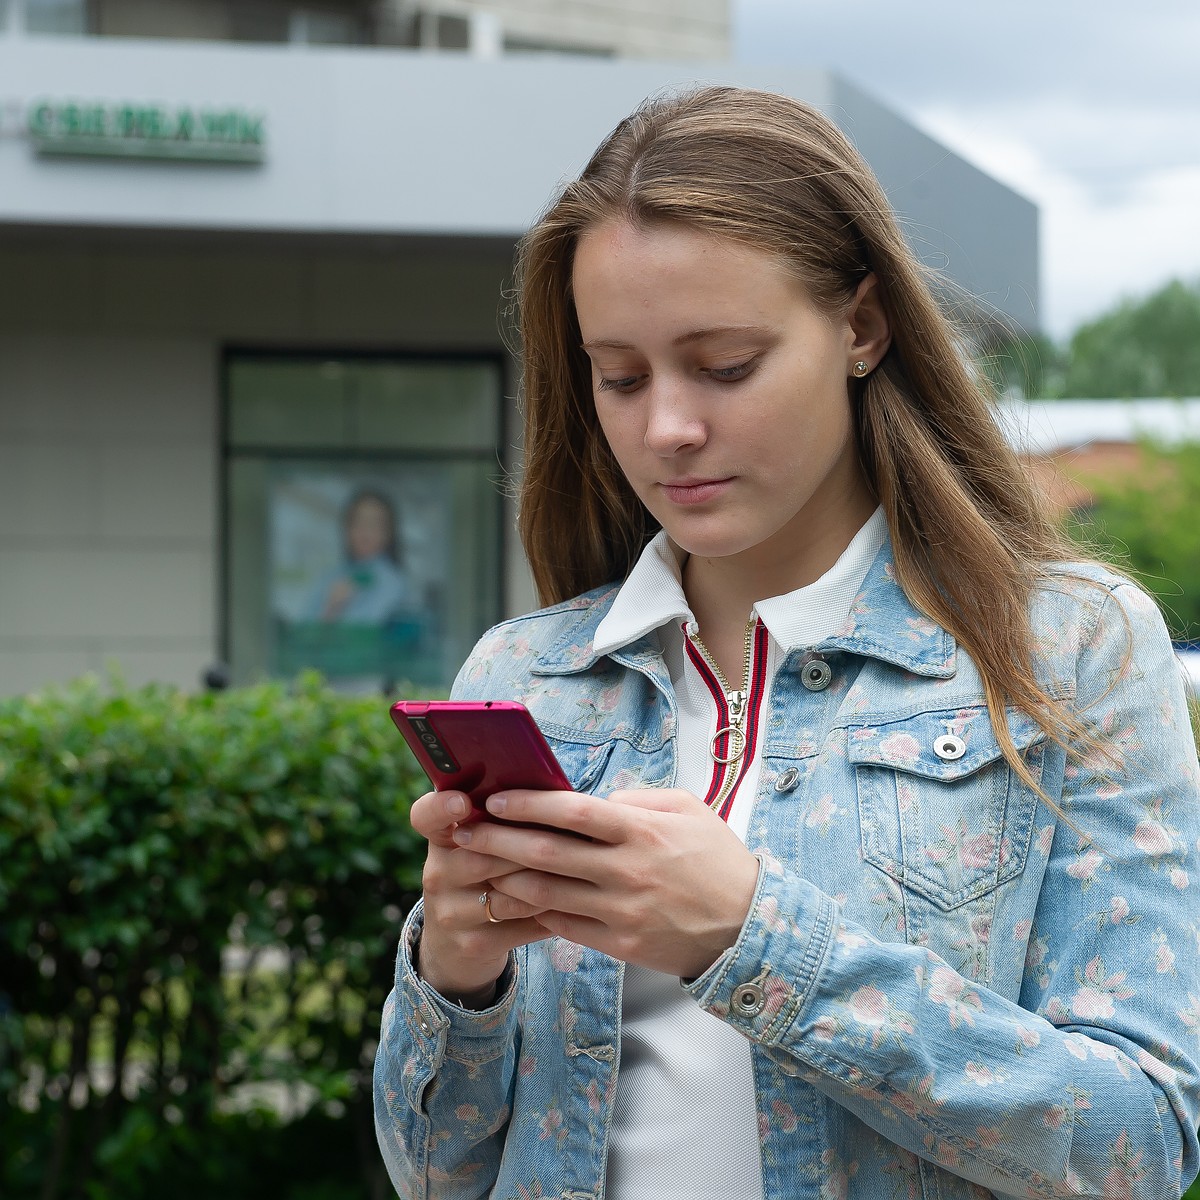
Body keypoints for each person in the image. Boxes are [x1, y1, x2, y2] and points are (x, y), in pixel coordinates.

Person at [373, 86, 1200, 1199]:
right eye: (619, 377)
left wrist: (751, 936)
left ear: (861, 327)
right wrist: (457, 977)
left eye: (724, 366)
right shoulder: (530, 678)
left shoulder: (1067, 650)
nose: (667, 427)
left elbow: (1138, 1142)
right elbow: (435, 1170)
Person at [307, 488, 409, 624]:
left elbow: (365, 631)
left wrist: (334, 612)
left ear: (388, 533)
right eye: (358, 522)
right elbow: (303, 627)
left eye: (374, 524)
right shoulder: (332, 576)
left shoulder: (392, 582)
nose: (365, 532)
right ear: (347, 528)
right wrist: (330, 609)